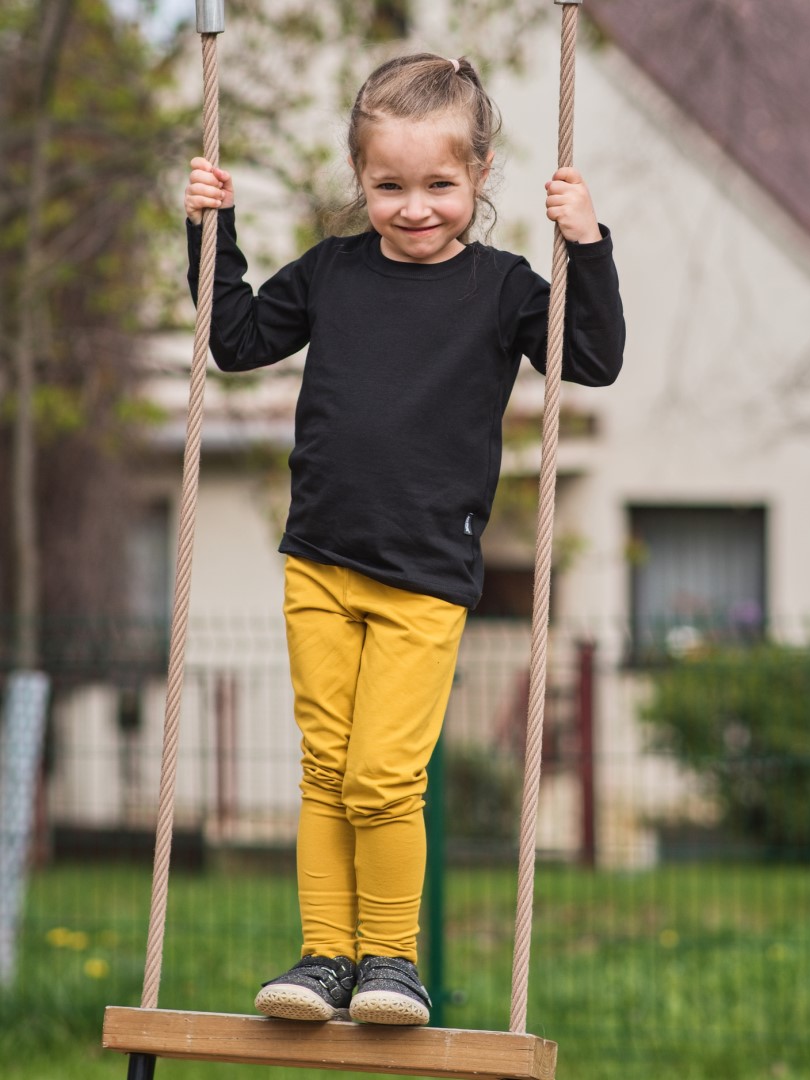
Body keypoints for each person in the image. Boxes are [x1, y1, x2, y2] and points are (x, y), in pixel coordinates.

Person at [185, 52, 624, 1027]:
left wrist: (584, 244)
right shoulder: (333, 272)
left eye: (438, 185)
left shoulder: (502, 288)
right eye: (387, 185)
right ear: (360, 179)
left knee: (382, 775)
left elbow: (589, 357)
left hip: (424, 574)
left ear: (477, 176)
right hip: (318, 560)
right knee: (325, 768)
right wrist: (212, 231)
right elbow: (238, 340)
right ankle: (322, 958)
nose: (413, 206)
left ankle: (391, 962)